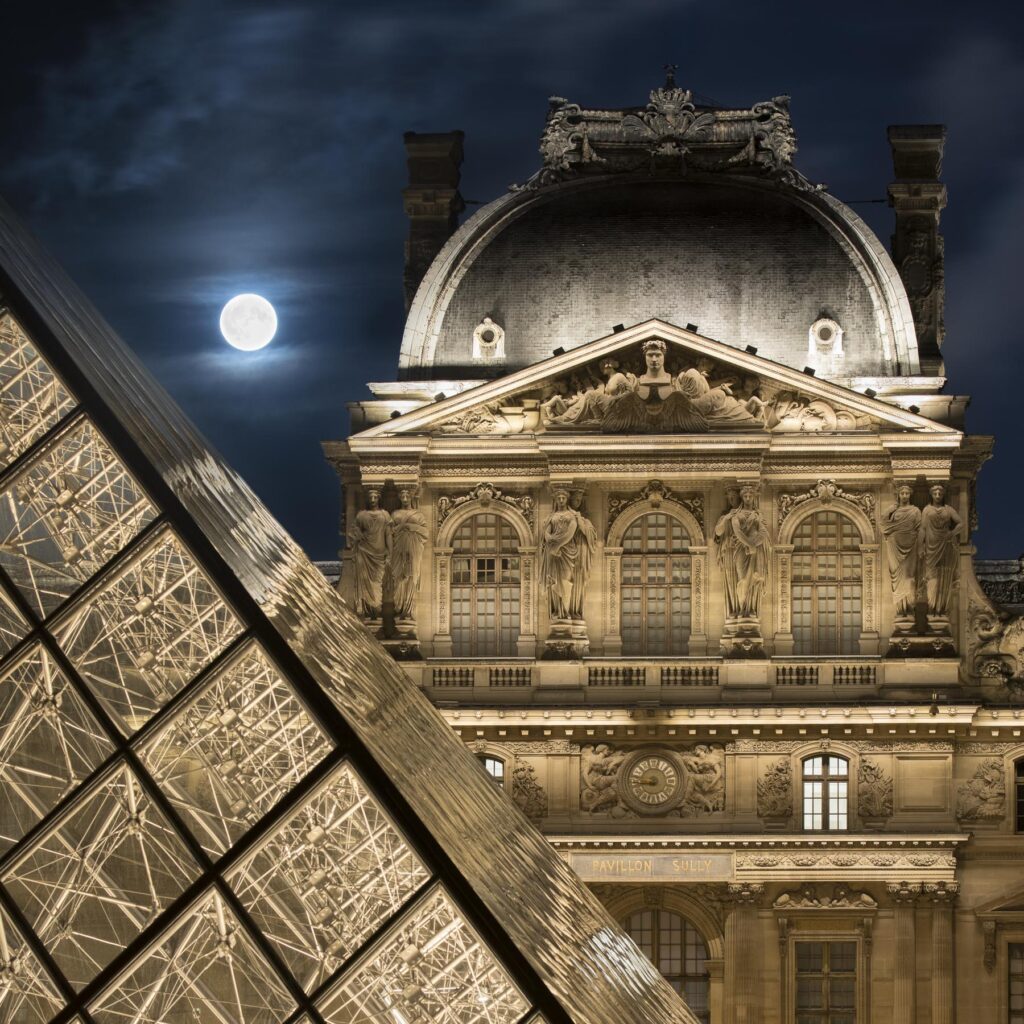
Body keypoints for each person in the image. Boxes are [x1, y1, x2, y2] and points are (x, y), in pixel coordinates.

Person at [602, 338, 707, 432]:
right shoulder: (634, 383)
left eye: (658, 355)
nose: (654, 359)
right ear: (644, 357)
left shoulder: (676, 382)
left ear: (664, 357)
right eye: (650, 355)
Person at [540, 487, 598, 622]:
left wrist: (557, 544)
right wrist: (550, 540)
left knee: (566, 580)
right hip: (554, 553)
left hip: (566, 551)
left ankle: (566, 611)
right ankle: (559, 611)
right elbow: (546, 532)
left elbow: (571, 532)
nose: (561, 500)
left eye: (563, 498)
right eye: (558, 498)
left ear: (567, 499)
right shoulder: (551, 517)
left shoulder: (573, 516)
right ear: (555, 500)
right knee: (555, 580)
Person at [728, 485, 771, 620]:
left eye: (750, 496)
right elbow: (737, 532)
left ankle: (751, 608)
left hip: (756, 549)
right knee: (742, 579)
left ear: (753, 498)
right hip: (741, 549)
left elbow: (764, 532)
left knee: (755, 578)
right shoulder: (736, 515)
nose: (747, 498)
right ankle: (742, 608)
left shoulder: (758, 515)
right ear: (742, 497)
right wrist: (749, 544)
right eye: (745, 496)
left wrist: (754, 544)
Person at [919, 483, 961, 623]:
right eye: (935, 493)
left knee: (944, 579)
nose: (938, 496)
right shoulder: (927, 510)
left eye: (940, 494)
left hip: (946, 546)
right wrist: (920, 546)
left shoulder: (948, 509)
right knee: (932, 580)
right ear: (931, 494)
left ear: (943, 495)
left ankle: (941, 610)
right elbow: (923, 529)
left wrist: (952, 533)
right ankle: (932, 608)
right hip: (930, 548)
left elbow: (961, 524)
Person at [349, 488, 391, 621]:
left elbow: (388, 535)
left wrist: (390, 553)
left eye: (375, 497)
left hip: (380, 554)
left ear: (379, 498)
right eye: (370, 497)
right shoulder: (361, 515)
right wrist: (357, 535)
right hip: (364, 552)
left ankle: (376, 610)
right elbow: (352, 532)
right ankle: (370, 612)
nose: (373, 500)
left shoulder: (385, 515)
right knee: (365, 582)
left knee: (377, 584)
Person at [882, 484, 921, 626]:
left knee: (910, 578)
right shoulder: (894, 511)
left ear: (910, 495)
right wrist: (891, 509)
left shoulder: (916, 511)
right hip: (894, 546)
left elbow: (920, 529)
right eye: (902, 493)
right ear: (898, 495)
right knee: (897, 580)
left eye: (907, 493)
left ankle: (909, 609)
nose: (904, 495)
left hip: (911, 545)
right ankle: (901, 610)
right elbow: (883, 524)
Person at [388, 488, 428, 624]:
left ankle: (409, 611)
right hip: (398, 549)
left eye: (407, 496)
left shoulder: (418, 515)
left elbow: (425, 533)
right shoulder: (395, 514)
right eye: (402, 496)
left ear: (411, 497)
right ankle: (399, 609)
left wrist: (411, 527)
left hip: (413, 548)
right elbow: (388, 532)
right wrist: (400, 528)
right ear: (400, 498)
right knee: (398, 578)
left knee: (411, 578)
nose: (405, 499)